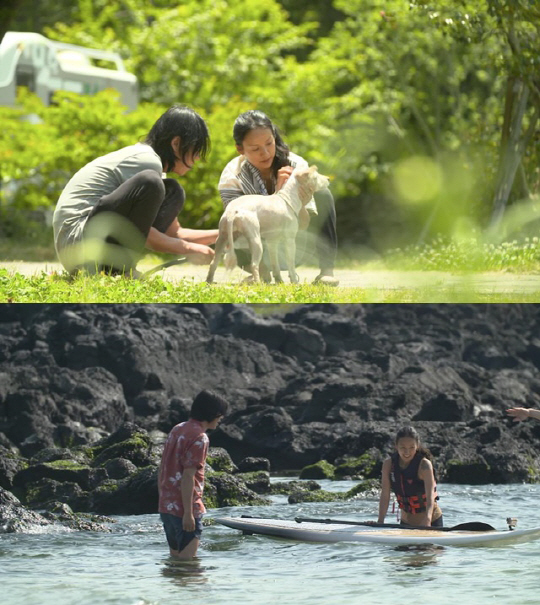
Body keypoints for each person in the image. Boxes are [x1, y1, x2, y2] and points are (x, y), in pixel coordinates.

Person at [53, 104, 218, 277]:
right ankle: (118, 270)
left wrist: (224, 235)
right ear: (176, 143)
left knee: (173, 191)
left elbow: (174, 233)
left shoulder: (152, 167)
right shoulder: (146, 162)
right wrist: (189, 249)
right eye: (196, 149)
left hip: (87, 244)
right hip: (78, 247)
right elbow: (145, 233)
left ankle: (114, 271)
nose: (198, 157)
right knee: (152, 182)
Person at [218, 109, 339, 286]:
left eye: (269, 143)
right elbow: (236, 229)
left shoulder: (297, 167)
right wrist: (276, 195)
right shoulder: (232, 176)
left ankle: (326, 271)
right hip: (252, 246)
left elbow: (303, 225)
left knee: (322, 193)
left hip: (296, 245)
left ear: (274, 137)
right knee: (231, 224)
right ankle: (262, 274)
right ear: (240, 149)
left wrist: (301, 204)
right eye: (255, 149)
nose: (265, 153)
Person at [158, 390, 228, 559]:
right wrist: (188, 514)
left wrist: (164, 500)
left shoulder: (177, 429)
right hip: (185, 509)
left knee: (175, 564)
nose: (221, 419)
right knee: (189, 568)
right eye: (221, 415)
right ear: (213, 413)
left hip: (166, 507)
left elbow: (163, 468)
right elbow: (188, 476)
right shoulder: (200, 437)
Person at [377, 426, 443, 527]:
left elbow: (430, 498)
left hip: (431, 521)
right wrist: (380, 521)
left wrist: (428, 520)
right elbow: (385, 495)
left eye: (411, 447)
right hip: (406, 523)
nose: (407, 452)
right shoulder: (389, 465)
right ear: (396, 446)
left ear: (417, 446)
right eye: (403, 448)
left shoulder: (424, 465)